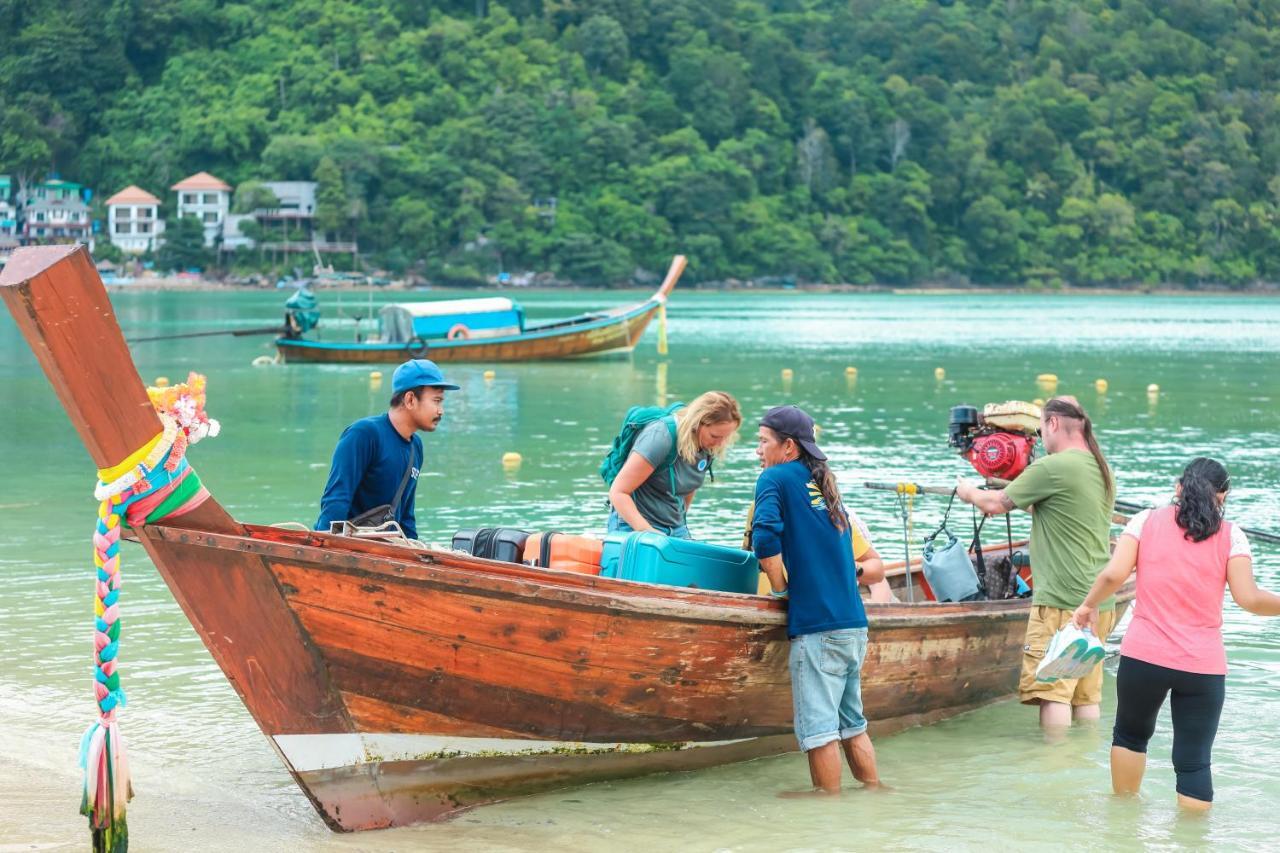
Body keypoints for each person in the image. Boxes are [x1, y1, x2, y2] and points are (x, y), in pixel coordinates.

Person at [1071, 458, 1280, 811]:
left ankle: (1123, 826)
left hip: (1143, 657)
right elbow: (1249, 599)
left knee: (1130, 737)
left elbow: (1114, 574)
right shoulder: (1232, 536)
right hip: (1202, 665)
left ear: (1178, 487)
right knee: (1195, 759)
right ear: (1223, 496)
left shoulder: (1145, 520)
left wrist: (1087, 606)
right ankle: (1193, 843)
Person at [955, 396, 1115, 729]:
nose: (1041, 439)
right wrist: (1013, 491)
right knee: (1085, 696)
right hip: (1100, 600)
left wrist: (968, 492)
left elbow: (996, 504)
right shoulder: (1100, 467)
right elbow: (1050, 507)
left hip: (1062, 600)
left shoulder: (1054, 466)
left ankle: (1052, 766)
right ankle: (1081, 770)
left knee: (1053, 693)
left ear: (1053, 423)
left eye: (1041, 430)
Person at [751, 405, 887, 795]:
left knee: (819, 732)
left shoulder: (773, 479)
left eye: (763, 442)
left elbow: (764, 540)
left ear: (788, 446)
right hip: (853, 626)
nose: (758, 451)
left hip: (817, 629)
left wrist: (780, 590)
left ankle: (827, 807)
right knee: (853, 725)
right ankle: (874, 792)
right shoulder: (822, 480)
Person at [315, 358, 459, 538]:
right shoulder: (364, 434)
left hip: (385, 550)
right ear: (410, 399)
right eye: (436, 401)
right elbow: (336, 500)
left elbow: (406, 517)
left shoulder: (416, 447)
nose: (441, 410)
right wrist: (324, 545)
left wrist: (414, 553)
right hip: (352, 547)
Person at [607, 391, 741, 538]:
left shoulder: (707, 446)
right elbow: (618, 492)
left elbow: (688, 488)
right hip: (634, 524)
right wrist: (648, 532)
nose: (720, 443)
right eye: (715, 436)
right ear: (696, 424)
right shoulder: (661, 436)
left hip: (675, 526)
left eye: (726, 437)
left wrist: (680, 525)